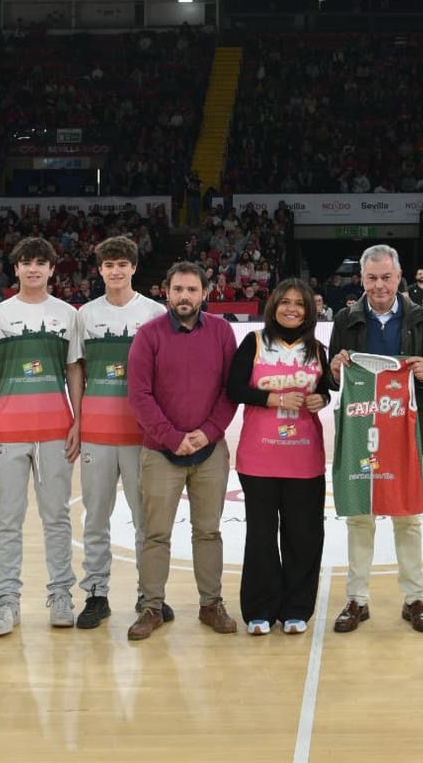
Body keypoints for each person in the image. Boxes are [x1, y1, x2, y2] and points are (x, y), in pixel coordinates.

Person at [327, 244, 423, 634]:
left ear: (399, 276)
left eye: (386, 277)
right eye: (372, 278)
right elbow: (332, 378)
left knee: (407, 516)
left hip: (406, 427)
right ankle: (357, 600)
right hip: (362, 428)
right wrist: (336, 368)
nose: (379, 285)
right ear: (362, 278)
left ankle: (414, 599)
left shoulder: (421, 317)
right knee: (361, 517)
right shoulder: (345, 318)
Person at [126, 261, 240, 640]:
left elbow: (231, 390)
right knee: (156, 533)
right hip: (161, 452)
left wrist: (207, 433)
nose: (185, 296)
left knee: (208, 532)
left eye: (192, 290)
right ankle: (151, 607)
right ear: (167, 292)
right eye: (178, 290)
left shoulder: (223, 332)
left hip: (209, 452)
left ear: (205, 293)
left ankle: (211, 604)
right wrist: (173, 437)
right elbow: (139, 395)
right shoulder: (149, 334)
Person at [0, 237, 82, 637]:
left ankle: (60, 595)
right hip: (8, 431)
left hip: (56, 430)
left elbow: (74, 370)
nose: (33, 269)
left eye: (41, 262)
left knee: (56, 517)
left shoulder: (68, 315)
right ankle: (6, 601)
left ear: (52, 269)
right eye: (26, 263)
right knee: (8, 520)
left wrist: (78, 420)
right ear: (16, 269)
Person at [69, 236, 172, 631]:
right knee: (96, 516)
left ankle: (151, 598)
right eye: (108, 264)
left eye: (122, 264)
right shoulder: (85, 315)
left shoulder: (153, 312)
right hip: (96, 429)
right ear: (100, 270)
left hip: (141, 434)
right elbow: (76, 369)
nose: (115, 271)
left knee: (146, 518)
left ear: (133, 268)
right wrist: (78, 419)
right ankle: (96, 594)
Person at [226, 279, 332, 636]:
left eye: (299, 304)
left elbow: (322, 393)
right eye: (285, 302)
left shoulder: (317, 348)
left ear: (309, 310)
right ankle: (259, 609)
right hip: (259, 456)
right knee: (261, 535)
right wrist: (273, 399)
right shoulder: (253, 342)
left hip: (304, 457)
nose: (291, 309)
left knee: (303, 536)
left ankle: (297, 608)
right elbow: (234, 389)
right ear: (273, 306)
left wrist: (321, 401)